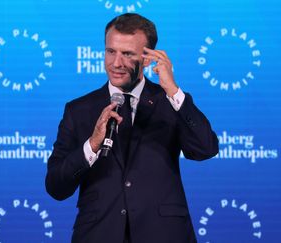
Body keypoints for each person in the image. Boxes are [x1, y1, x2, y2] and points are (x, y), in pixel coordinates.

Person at [45, 13, 219, 243]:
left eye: (127, 54)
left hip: (164, 235)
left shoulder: (170, 102)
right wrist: (92, 146)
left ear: (147, 59)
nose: (116, 63)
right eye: (110, 51)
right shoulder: (78, 110)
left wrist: (173, 91)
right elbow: (56, 186)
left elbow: (206, 149)